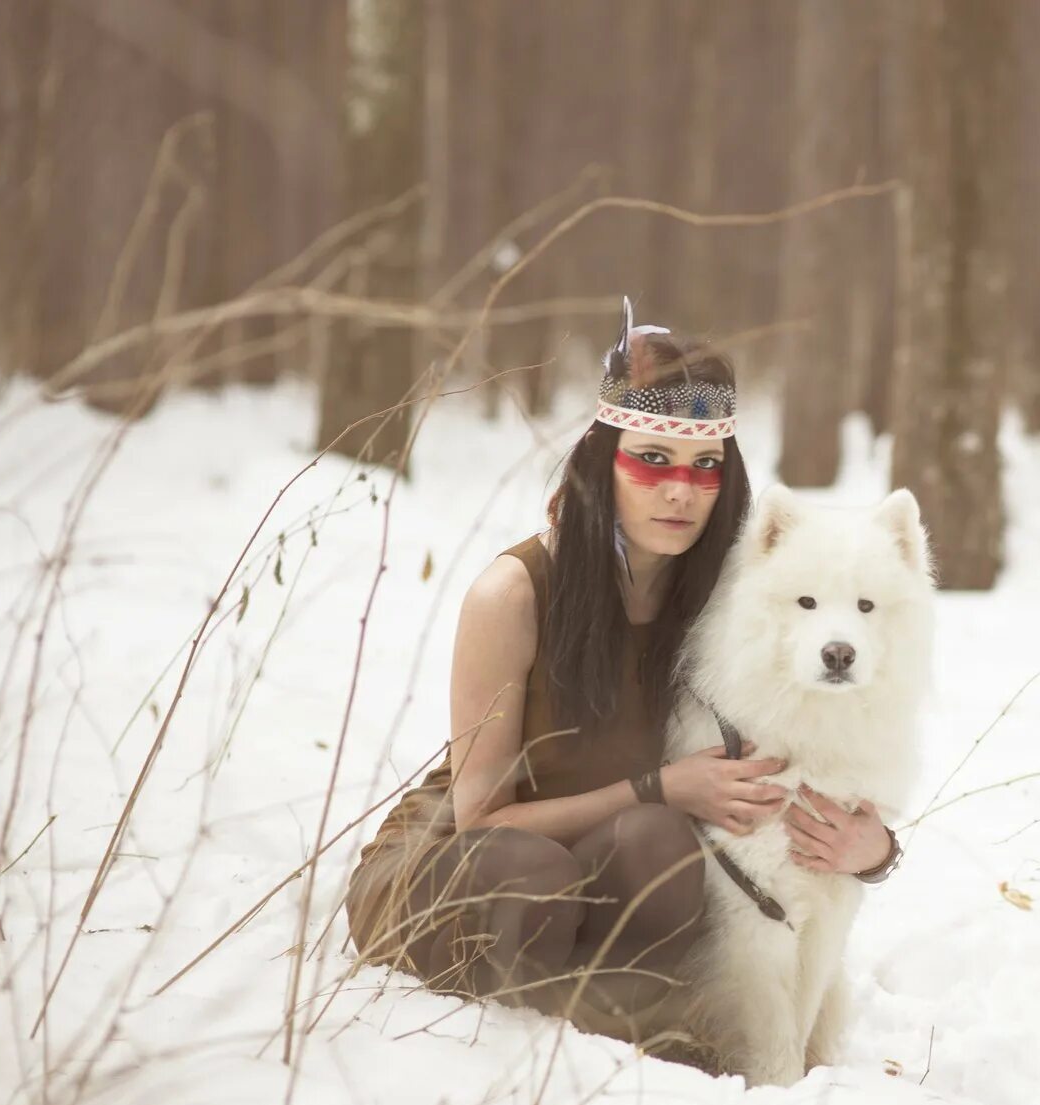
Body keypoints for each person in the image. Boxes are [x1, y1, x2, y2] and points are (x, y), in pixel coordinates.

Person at [343, 303, 900, 1050]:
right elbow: (482, 820)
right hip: (472, 866)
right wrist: (660, 787)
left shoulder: (725, 596)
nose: (681, 492)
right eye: (653, 461)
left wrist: (876, 849)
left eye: (705, 467)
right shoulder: (512, 593)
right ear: (603, 463)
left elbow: (818, 739)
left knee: (660, 848)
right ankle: (495, 1046)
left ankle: (597, 1029)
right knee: (536, 872)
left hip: (610, 866)